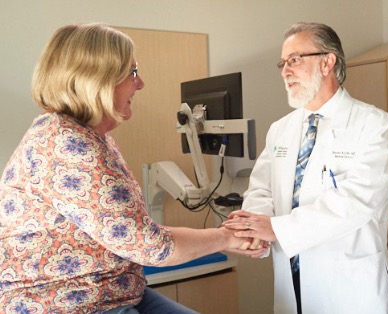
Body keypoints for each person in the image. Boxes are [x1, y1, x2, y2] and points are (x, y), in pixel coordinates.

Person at [0, 23, 264, 313]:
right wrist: (227, 237)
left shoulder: (92, 138)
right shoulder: (67, 145)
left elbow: (132, 230)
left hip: (115, 290)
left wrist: (224, 240)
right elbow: (152, 246)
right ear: (97, 78)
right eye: (132, 73)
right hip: (66, 302)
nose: (140, 84)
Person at [223, 22, 388, 313]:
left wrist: (276, 229)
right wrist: (254, 228)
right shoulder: (281, 129)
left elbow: (358, 200)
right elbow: (262, 189)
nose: (285, 71)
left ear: (328, 61)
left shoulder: (374, 124)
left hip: (348, 285)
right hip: (290, 278)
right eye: (282, 63)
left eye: (295, 60)